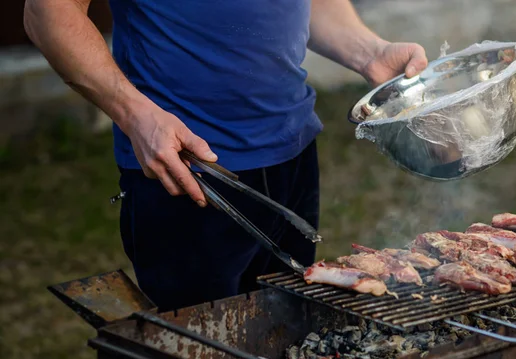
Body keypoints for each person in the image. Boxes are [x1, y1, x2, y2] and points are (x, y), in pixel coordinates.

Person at [24, 0, 428, 311]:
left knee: (285, 335)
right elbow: (49, 13)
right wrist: (136, 115)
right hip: (185, 164)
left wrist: (368, 53)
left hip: (293, 150)